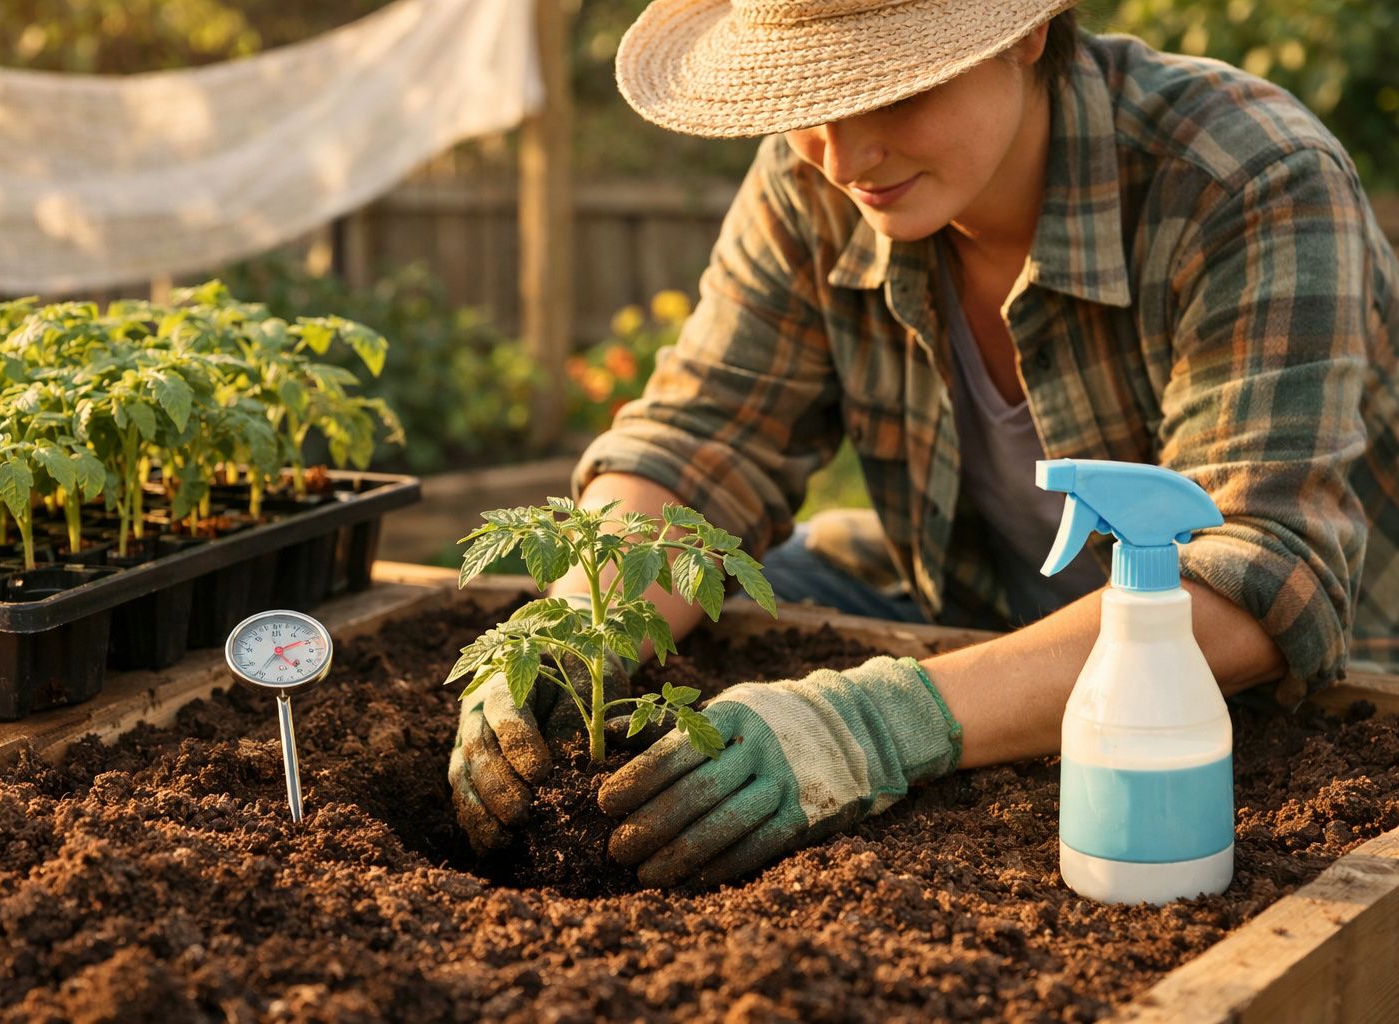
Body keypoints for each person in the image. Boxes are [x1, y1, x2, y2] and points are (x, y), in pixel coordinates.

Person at [449, 0, 1399, 888]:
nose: (845, 150)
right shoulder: (809, 182)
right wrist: (576, 626)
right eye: (810, 97)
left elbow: (1256, 577)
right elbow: (701, 441)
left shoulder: (1246, 176)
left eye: (893, 89)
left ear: (1026, 34)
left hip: (1315, 682)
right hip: (976, 601)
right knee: (798, 576)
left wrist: (872, 724)